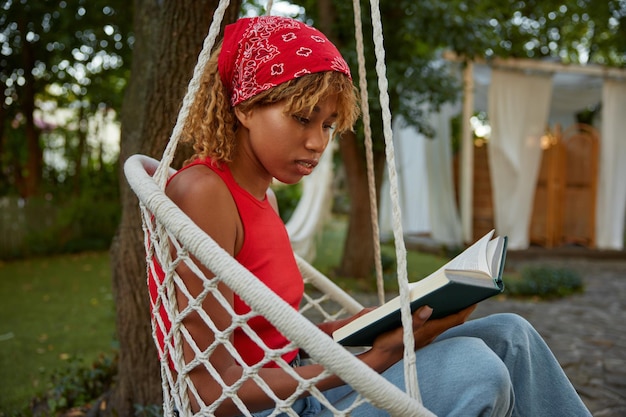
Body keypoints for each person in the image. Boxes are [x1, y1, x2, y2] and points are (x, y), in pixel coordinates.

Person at [152, 15, 592, 417]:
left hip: (298, 376)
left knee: (512, 336)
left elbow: (267, 334)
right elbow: (207, 391)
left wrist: (366, 323)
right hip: (281, 407)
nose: (317, 143)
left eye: (327, 125)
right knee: (475, 369)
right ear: (244, 107)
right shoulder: (205, 192)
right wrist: (373, 360)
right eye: (303, 118)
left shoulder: (258, 194)